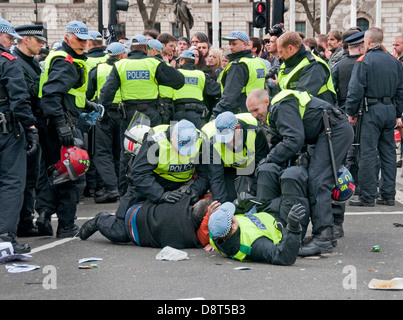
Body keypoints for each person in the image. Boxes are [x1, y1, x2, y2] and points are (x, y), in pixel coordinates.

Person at [246, 88, 354, 256]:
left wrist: (269, 159)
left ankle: (323, 238)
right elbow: (283, 140)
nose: (254, 115)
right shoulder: (275, 112)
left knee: (318, 181)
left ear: (266, 102)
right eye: (251, 111)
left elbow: (294, 139)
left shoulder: (281, 107)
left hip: (334, 130)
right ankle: (329, 232)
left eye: (256, 110)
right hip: (328, 131)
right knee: (319, 179)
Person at [80, 120, 209, 243]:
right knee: (121, 233)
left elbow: (206, 174)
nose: (183, 153)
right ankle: (100, 219)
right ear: (173, 137)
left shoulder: (202, 141)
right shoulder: (156, 141)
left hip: (178, 187)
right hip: (148, 185)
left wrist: (194, 191)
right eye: (181, 147)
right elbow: (139, 175)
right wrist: (160, 195)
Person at [99, 34, 185, 196]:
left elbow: (107, 92)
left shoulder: (121, 65)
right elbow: (178, 81)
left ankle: (125, 191)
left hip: (129, 115)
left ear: (130, 48)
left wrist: (103, 113)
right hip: (151, 114)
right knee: (152, 151)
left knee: (127, 152)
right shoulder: (153, 63)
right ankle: (151, 187)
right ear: (146, 48)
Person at [35, 21, 94, 238]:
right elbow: (52, 95)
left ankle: (43, 212)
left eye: (85, 40)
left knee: (56, 171)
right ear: (67, 37)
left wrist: (88, 104)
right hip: (62, 124)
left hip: (55, 122)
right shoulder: (67, 62)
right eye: (79, 39)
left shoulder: (66, 58)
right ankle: (67, 225)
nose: (83, 44)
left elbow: (68, 92)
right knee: (73, 173)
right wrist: (62, 126)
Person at [346, 27, 403, 207]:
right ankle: (388, 194)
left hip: (371, 110)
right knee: (388, 153)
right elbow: (401, 90)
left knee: (368, 153)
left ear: (368, 41)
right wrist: (398, 113)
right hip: (389, 110)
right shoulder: (394, 61)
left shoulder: (364, 61)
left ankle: (368, 195)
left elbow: (355, 90)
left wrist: (351, 112)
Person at [0, 18, 38, 253]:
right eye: (9, 38)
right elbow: (19, 99)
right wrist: (30, 127)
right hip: (6, 129)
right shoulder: (7, 61)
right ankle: (4, 238)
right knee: (11, 182)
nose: (12, 42)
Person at [79, 195, 215, 250]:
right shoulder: (189, 237)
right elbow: (203, 238)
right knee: (119, 234)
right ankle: (100, 219)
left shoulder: (185, 199)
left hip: (141, 206)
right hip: (133, 223)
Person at [13, 24, 46, 237]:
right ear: (26, 39)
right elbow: (25, 96)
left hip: (34, 123)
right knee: (23, 177)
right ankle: (22, 223)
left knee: (31, 176)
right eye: (38, 41)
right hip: (23, 126)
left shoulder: (31, 63)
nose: (42, 45)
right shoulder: (17, 64)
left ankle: (25, 220)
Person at [86, 42, 127, 204]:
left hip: (103, 114)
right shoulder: (125, 68)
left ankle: (110, 187)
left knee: (102, 153)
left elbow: (89, 93)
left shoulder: (98, 70)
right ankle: (119, 185)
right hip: (123, 113)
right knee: (120, 152)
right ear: (122, 54)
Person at [207, 201, 306, 266]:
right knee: (292, 178)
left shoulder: (215, 233)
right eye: (231, 215)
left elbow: (217, 223)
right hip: (284, 221)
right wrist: (293, 228)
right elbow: (284, 257)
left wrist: (240, 207)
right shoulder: (254, 244)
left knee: (268, 171)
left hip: (267, 211)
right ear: (233, 226)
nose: (233, 214)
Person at [202, 111, 269, 203]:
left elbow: (262, 163)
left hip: (252, 165)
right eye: (223, 139)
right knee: (227, 198)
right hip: (228, 169)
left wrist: (253, 194)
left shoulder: (254, 130)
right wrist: (222, 206)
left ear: (238, 128)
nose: (227, 143)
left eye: (229, 138)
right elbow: (216, 178)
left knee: (261, 192)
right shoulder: (210, 142)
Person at [213, 31, 266, 117]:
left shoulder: (238, 65)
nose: (231, 47)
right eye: (230, 44)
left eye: (234, 44)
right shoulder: (258, 62)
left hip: (240, 114)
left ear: (245, 45)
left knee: (240, 131)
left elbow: (229, 96)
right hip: (257, 112)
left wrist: (216, 114)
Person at [276, 31, 336, 105]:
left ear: (291, 48)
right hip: (292, 112)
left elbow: (302, 97)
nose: (280, 56)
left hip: (318, 114)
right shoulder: (284, 65)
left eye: (281, 52)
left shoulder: (314, 65)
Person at [172, 50, 221, 129]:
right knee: (202, 138)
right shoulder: (201, 75)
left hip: (178, 113)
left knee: (174, 138)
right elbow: (216, 90)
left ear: (182, 61)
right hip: (196, 114)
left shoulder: (175, 73)